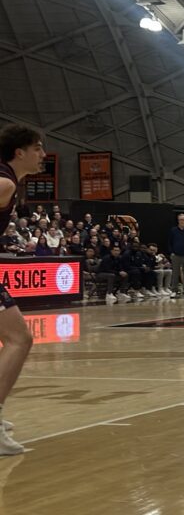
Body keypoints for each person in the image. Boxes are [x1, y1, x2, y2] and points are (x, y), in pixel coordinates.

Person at [0, 125, 48, 454]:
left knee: (19, 338)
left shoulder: (8, 180)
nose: (43, 155)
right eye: (38, 148)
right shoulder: (3, 182)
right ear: (20, 152)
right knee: (19, 339)